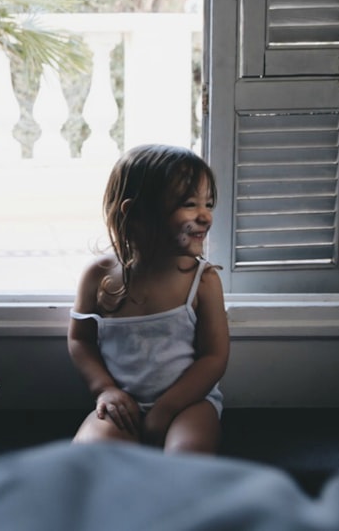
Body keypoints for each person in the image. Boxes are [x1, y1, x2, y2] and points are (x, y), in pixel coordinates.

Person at [68, 144, 230, 454]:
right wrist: (105, 390)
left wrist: (167, 408)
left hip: (188, 403)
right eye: (189, 204)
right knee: (90, 456)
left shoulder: (203, 281)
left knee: (187, 454)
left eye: (208, 203)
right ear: (136, 213)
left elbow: (214, 358)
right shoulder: (97, 277)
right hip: (121, 404)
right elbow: (81, 341)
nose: (205, 216)